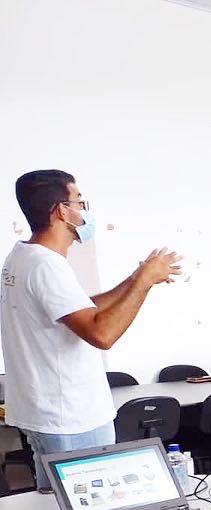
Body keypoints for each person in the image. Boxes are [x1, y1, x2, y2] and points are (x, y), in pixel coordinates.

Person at [1, 169, 180, 490]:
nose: (84, 211)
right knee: (88, 507)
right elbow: (102, 334)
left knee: (60, 506)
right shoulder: (46, 265)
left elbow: (81, 310)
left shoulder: (24, 257)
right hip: (70, 417)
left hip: (52, 414)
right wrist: (144, 282)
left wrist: (136, 278)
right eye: (79, 202)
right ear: (61, 211)